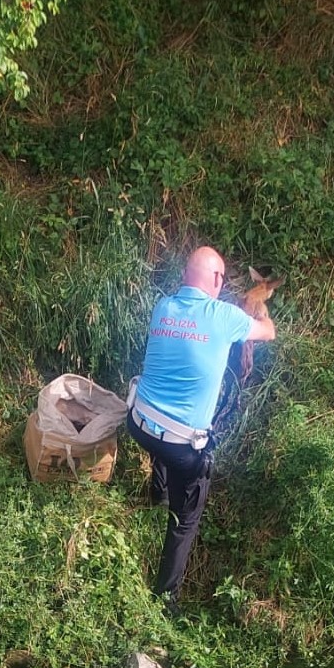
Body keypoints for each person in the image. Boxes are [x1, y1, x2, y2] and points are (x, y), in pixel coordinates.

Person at [127, 245, 276, 613]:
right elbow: (268, 333)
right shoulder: (224, 316)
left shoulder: (163, 307)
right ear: (214, 279)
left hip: (139, 423)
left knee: (162, 427)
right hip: (181, 446)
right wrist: (261, 305)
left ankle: (158, 492)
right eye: (221, 279)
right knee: (186, 518)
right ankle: (166, 599)